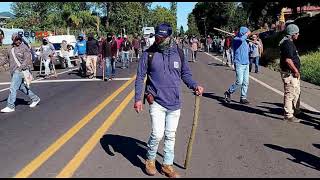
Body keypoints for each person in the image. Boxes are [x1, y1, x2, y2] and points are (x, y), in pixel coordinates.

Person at [134, 23, 204, 178]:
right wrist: (138, 98)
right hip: (156, 101)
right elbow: (140, 77)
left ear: (169, 37)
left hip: (174, 102)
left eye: (161, 37)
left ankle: (167, 165)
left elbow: (185, 74)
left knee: (171, 135)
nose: (158, 40)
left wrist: (194, 85)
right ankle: (150, 159)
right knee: (158, 134)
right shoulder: (149, 54)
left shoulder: (178, 53)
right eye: (157, 37)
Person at [0, 33, 40, 113]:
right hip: (13, 71)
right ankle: (35, 98)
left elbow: (27, 60)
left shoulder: (24, 48)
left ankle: (10, 106)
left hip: (20, 71)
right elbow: (6, 59)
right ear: (13, 40)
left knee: (13, 88)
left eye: (19, 39)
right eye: (16, 39)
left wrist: (20, 69)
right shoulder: (10, 48)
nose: (18, 41)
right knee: (22, 87)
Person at [279, 24, 301, 123]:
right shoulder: (287, 44)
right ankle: (288, 115)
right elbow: (288, 60)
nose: (298, 35)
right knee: (289, 94)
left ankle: (295, 111)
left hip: (292, 73)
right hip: (289, 73)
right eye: (297, 33)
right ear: (292, 34)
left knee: (296, 92)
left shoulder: (289, 42)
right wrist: (295, 71)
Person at [224, 26, 251, 104]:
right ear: (242, 33)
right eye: (246, 32)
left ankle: (243, 97)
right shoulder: (236, 39)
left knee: (246, 82)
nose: (247, 34)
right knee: (239, 81)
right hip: (239, 63)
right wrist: (246, 35)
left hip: (246, 63)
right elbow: (241, 39)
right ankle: (229, 92)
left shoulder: (246, 41)